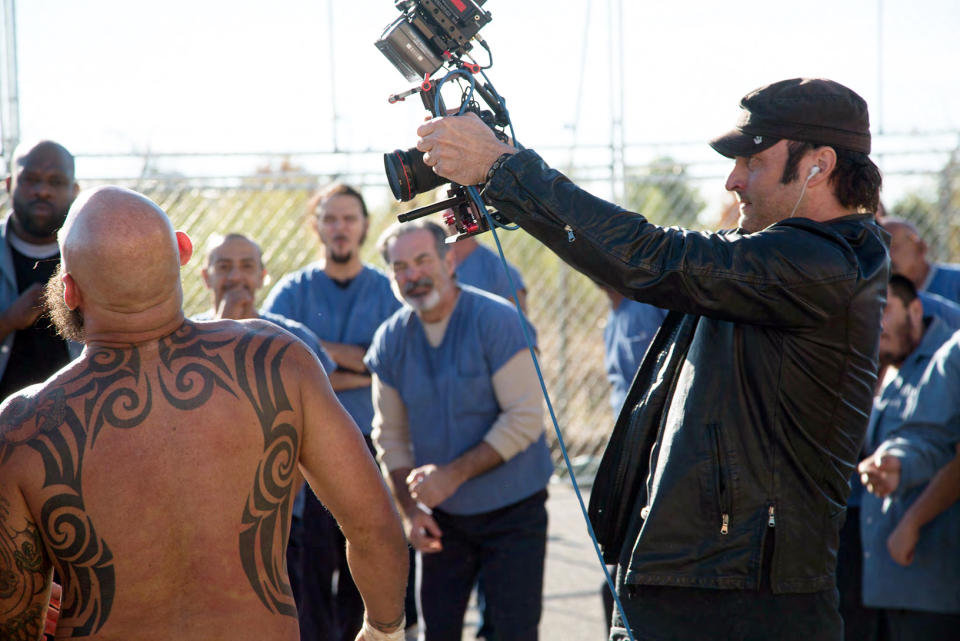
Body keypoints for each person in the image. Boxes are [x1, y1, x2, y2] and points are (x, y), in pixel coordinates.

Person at [412, 77, 887, 640]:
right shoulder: (779, 263)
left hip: (742, 604)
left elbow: (653, 259)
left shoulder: (825, 264)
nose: (734, 180)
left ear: (820, 164)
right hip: (693, 587)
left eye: (754, 161)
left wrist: (501, 168)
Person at [0, 186, 408, 640]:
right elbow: (375, 531)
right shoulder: (275, 363)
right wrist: (382, 630)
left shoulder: (23, 428)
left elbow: (11, 620)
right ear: (184, 252)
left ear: (69, 290)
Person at [365, 220, 553, 641]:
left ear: (450, 260)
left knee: (513, 633)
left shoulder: (498, 320)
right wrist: (411, 512)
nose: (412, 274)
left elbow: (525, 418)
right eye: (400, 267)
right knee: (440, 631)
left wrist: (451, 475)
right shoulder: (390, 341)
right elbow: (389, 435)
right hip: (443, 520)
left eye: (422, 260)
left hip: (514, 509)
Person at [263, 183, 402, 641]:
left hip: (371, 439)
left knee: (369, 561)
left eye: (349, 218)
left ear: (364, 225)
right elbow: (277, 365)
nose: (340, 228)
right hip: (308, 448)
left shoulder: (387, 290)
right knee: (313, 569)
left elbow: (392, 363)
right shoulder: (292, 292)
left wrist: (318, 362)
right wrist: (361, 363)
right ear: (317, 225)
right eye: (331, 218)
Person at [195, 231, 340, 616]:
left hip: (280, 522)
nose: (236, 276)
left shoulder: (295, 340)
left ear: (263, 276)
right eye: (224, 266)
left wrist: (276, 505)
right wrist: (224, 328)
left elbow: (313, 434)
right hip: (197, 521)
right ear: (206, 277)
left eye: (247, 266)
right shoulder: (182, 338)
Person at [838, 275, 956, 640]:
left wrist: (911, 519)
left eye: (883, 309)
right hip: (892, 585)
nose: (875, 322)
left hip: (933, 583)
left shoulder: (945, 359)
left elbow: (928, 440)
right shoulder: (886, 370)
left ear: (916, 308)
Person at [0, 140, 82, 402]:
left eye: (56, 182)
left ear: (75, 190)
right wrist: (9, 321)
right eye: (31, 179)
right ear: (9, 183)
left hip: (80, 421)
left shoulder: (94, 253)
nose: (43, 191)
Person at [443, 212, 528, 312]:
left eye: (456, 211)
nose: (452, 217)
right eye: (446, 212)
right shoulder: (432, 263)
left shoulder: (498, 271)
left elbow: (518, 320)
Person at [881, 217, 960, 304]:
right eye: (880, 251)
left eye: (893, 247)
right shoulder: (882, 296)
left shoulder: (955, 281)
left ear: (920, 247)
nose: (885, 256)